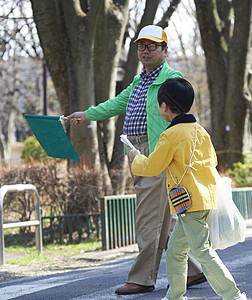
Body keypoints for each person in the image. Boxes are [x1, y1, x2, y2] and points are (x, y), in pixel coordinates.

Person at [67, 25, 205, 295]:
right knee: (162, 221)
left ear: (164, 50)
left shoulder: (170, 77)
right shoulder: (139, 80)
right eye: (142, 45)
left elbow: (180, 117)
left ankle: (142, 278)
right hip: (138, 151)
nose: (146, 50)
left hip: (157, 153)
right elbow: (117, 103)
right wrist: (87, 114)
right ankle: (193, 271)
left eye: (153, 45)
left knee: (148, 217)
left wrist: (168, 151)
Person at [129, 77, 247, 300]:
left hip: (188, 203)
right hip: (203, 199)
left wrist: (136, 157)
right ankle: (174, 296)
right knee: (175, 251)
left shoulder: (170, 135)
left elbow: (153, 167)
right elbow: (212, 161)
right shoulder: (201, 131)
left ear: (164, 106)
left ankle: (233, 296)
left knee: (202, 252)